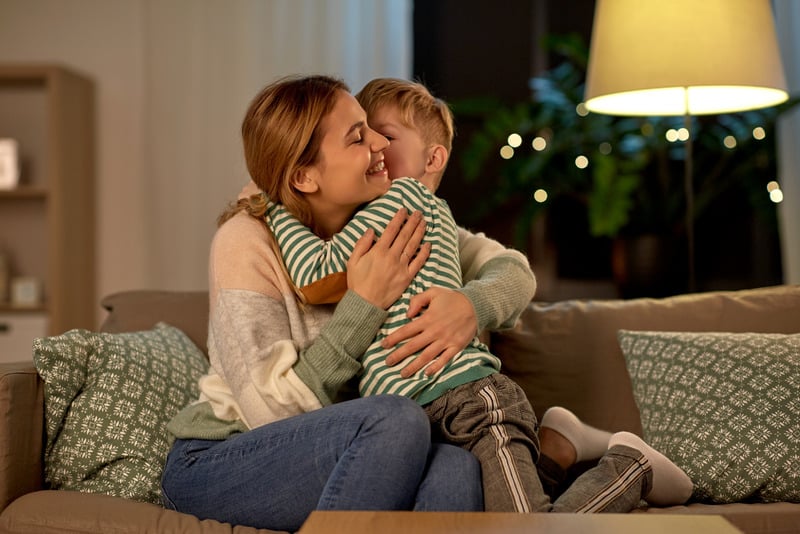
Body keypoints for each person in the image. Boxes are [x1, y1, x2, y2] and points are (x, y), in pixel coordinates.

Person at [260, 76, 693, 513]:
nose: (374, 147)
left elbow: (313, 271)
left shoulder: (400, 201)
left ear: (433, 158)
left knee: (522, 526)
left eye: (386, 136)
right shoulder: (385, 213)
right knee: (507, 512)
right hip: (424, 414)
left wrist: (274, 201)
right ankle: (558, 448)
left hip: (466, 401)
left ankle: (630, 468)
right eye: (364, 135)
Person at [160, 75, 485, 533]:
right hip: (223, 458)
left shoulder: (379, 222)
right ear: (304, 176)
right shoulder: (244, 241)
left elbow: (506, 267)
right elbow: (268, 412)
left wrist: (473, 305)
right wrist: (365, 302)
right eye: (358, 137)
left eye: (372, 128)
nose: (379, 144)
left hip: (349, 445)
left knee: (457, 466)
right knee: (397, 421)